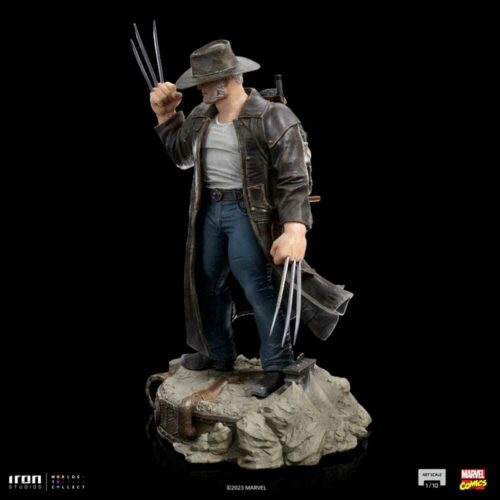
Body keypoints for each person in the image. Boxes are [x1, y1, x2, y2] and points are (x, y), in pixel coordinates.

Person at [150, 40, 349, 398]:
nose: (200, 88)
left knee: (256, 284)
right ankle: (217, 352)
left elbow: (294, 178)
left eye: (205, 81)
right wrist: (166, 116)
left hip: (249, 213)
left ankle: (276, 364)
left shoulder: (273, 117)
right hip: (209, 210)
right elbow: (182, 156)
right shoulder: (201, 116)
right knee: (205, 280)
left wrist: (295, 229)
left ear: (228, 79)